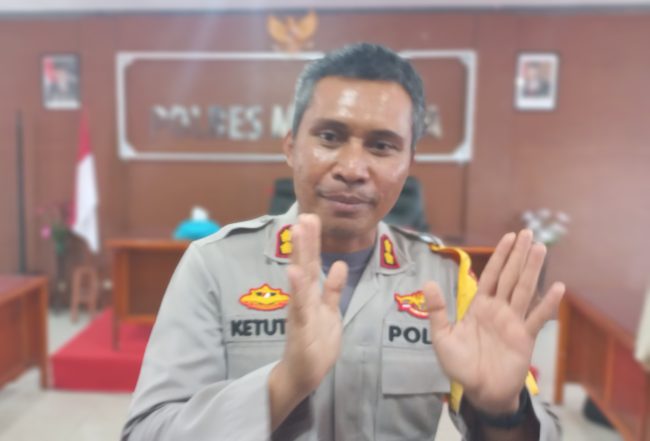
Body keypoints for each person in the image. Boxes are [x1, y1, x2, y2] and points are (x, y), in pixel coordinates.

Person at [122, 43, 564, 440]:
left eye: (382, 146)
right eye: (330, 137)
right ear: (291, 146)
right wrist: (284, 385)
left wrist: (501, 413)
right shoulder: (214, 265)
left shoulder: (444, 279)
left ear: (410, 161)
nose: (352, 168)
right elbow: (148, 432)